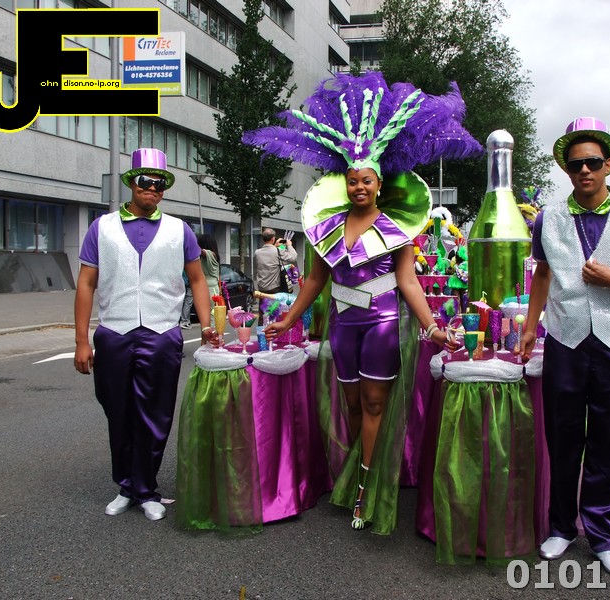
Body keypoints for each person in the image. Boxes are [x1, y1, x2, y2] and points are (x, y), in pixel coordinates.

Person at [242, 71, 481, 533]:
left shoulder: (397, 227)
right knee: (352, 404)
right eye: (352, 181)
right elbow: (315, 280)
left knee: (374, 403)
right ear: (345, 184)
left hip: (383, 323)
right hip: (343, 325)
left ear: (379, 183)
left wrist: (432, 326)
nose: (359, 188)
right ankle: (359, 469)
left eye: (366, 181)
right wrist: (288, 318)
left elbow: (408, 282)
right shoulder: (326, 227)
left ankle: (366, 489)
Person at [517, 118, 610, 576]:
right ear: (566, 169)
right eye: (576, 163)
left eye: (593, 162)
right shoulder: (548, 218)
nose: (585, 170)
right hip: (565, 339)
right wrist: (530, 326)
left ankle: (604, 535)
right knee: (562, 437)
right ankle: (561, 527)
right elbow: (543, 274)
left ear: (608, 166)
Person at [74, 148, 216, 522]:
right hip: (114, 332)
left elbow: (198, 280)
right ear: (131, 182)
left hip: (161, 333)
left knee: (156, 414)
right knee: (117, 411)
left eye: (159, 183)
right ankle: (126, 486)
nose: (152, 188)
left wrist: (206, 326)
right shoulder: (101, 228)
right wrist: (81, 341)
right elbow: (86, 284)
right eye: (145, 181)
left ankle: (146, 488)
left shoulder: (179, 230)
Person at [254, 228, 297, 294]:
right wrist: (289, 245)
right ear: (273, 239)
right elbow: (293, 257)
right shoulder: (277, 251)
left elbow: (269, 254)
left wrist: (274, 246)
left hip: (261, 288)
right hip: (274, 288)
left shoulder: (257, 252)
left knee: (263, 300)